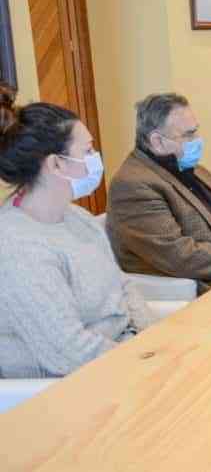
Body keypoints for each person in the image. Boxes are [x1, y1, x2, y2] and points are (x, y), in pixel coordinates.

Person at [0, 91, 155, 378]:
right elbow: (68, 352)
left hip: (127, 359)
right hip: (74, 387)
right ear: (55, 164)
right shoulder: (15, 246)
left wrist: (151, 343)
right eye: (87, 151)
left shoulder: (78, 218)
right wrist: (144, 363)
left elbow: (122, 286)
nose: (95, 159)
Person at [107, 93, 211, 295]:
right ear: (157, 141)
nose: (197, 141)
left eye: (196, 132)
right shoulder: (133, 185)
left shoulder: (190, 167)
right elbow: (176, 253)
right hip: (210, 286)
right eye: (188, 135)